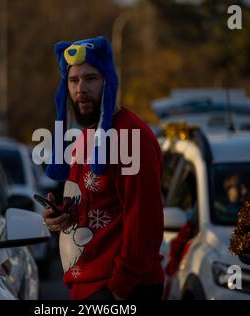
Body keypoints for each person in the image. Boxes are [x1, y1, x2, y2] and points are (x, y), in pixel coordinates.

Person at [43, 36, 165, 300]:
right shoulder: (86, 136)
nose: (80, 89)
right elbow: (95, 202)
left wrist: (120, 287)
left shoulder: (132, 135)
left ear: (108, 81)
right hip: (87, 287)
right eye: (73, 80)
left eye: (91, 78)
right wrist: (61, 215)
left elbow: (144, 220)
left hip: (120, 289)